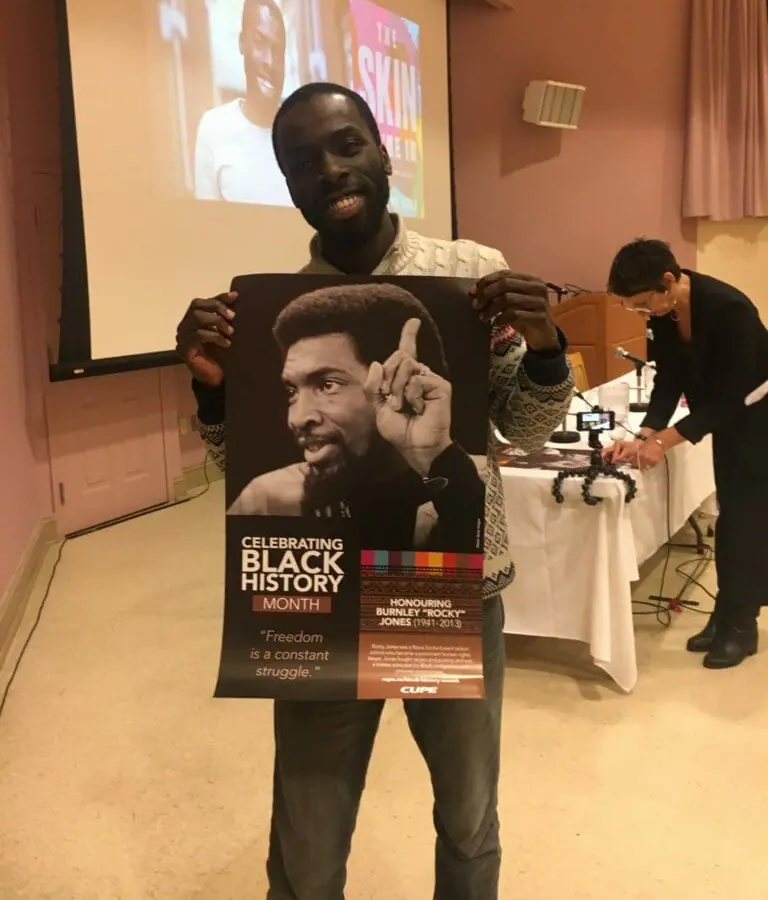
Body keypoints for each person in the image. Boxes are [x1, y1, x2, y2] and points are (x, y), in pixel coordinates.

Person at [176, 81, 573, 899]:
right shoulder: (271, 311)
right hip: (324, 595)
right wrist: (217, 391)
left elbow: (529, 431)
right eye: (301, 162)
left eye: (346, 144)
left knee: (468, 820)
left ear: (384, 152)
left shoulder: (472, 276)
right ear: (287, 187)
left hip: (445, 588)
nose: (329, 170)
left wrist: (542, 348)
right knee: (307, 842)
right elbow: (238, 465)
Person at [228, 282, 487, 554]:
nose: (297, 417)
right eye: (292, 391)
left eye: (328, 385)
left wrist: (442, 462)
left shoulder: (472, 483)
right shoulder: (270, 498)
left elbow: (481, 579)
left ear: (401, 384)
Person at [605, 238, 768, 670]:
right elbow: (669, 378)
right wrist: (643, 432)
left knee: (748, 523)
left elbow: (736, 396)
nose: (643, 312)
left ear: (669, 280)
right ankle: (728, 614)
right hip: (727, 419)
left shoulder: (730, 309)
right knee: (733, 518)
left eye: (644, 303)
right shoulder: (665, 312)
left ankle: (741, 624)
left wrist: (663, 441)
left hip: (759, 418)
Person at [194, 0, 292, 206]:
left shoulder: (299, 133)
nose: (269, 61)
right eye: (259, 42)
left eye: (278, 51)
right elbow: (204, 224)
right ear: (242, 42)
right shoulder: (214, 126)